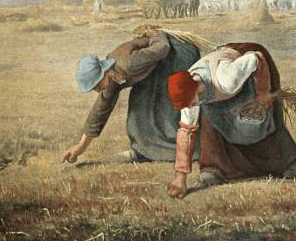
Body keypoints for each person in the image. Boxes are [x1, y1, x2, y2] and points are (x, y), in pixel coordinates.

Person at [165, 43, 296, 198]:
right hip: (224, 78)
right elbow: (186, 132)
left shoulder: (226, 80)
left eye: (190, 102)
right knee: (211, 122)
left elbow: (256, 58)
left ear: (196, 88)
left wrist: (262, 92)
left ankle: (288, 162)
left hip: (251, 66)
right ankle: (216, 169)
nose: (188, 107)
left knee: (259, 119)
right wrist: (180, 178)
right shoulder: (188, 90)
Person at [62, 29, 200, 164]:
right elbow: (100, 110)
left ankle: (189, 150)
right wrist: (81, 147)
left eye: (97, 86)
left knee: (168, 105)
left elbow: (162, 48)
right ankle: (144, 151)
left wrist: (157, 33)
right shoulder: (111, 78)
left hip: (178, 54)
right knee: (138, 107)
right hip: (156, 64)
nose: (98, 91)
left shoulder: (129, 64)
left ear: (104, 72)